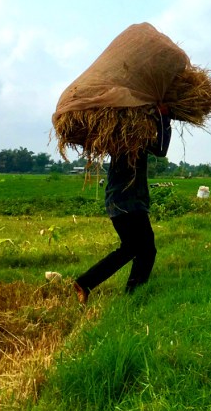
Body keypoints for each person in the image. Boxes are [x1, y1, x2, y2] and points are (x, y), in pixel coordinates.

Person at [73, 106, 172, 304]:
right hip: (128, 202)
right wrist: (164, 118)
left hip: (120, 201)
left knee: (134, 248)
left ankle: (93, 284)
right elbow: (161, 149)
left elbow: (159, 148)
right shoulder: (132, 138)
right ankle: (127, 293)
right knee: (143, 249)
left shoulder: (118, 138)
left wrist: (161, 119)